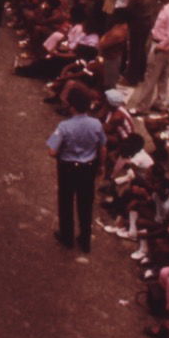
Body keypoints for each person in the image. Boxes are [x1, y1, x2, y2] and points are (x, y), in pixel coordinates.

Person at [48, 87, 106, 254]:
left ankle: (67, 237)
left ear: (72, 106)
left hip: (68, 168)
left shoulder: (64, 126)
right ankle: (85, 239)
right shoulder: (96, 124)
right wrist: (101, 166)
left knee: (66, 201)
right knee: (86, 203)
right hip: (88, 168)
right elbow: (102, 147)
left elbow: (52, 151)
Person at [127, 0, 169, 114]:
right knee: (163, 75)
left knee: (150, 76)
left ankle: (142, 106)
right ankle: (161, 102)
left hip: (162, 46)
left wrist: (160, 47)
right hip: (163, 44)